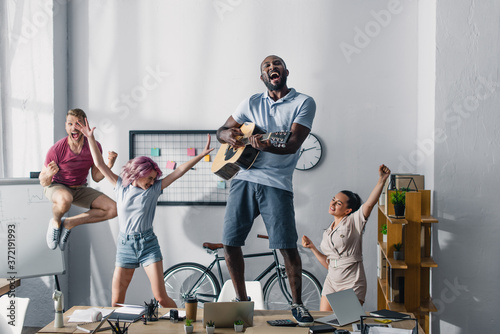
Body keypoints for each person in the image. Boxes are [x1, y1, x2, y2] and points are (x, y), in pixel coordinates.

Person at [216, 55, 316, 326]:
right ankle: (241, 301)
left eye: (277, 64)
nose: (272, 68)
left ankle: (297, 305)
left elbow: (293, 143)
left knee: (286, 245)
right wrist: (227, 135)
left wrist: (266, 145)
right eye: (267, 66)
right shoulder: (250, 102)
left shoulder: (303, 102)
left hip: (277, 183)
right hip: (244, 177)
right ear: (262, 76)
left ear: (285, 71)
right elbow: (222, 130)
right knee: (230, 241)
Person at [77, 117, 214, 307]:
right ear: (137, 174)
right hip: (125, 245)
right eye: (149, 178)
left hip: (148, 244)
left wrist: (200, 156)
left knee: (160, 297)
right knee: (116, 301)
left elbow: (179, 171)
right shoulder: (120, 186)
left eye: (154, 179)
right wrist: (90, 138)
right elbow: (100, 164)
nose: (152, 182)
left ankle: (182, 324)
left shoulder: (154, 190)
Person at [302, 164, 391, 311]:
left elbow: (369, 205)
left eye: (338, 203)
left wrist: (381, 180)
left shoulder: (353, 222)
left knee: (347, 326)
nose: (333, 204)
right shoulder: (328, 232)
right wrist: (312, 247)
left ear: (348, 210)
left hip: (351, 281)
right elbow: (331, 264)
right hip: (332, 280)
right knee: (324, 323)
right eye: (333, 200)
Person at [39, 108, 118, 251]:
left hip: (79, 188)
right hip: (58, 187)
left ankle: (69, 223)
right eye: (70, 124)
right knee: (65, 199)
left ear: (85, 126)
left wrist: (110, 165)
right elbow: (43, 182)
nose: (74, 127)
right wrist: (49, 174)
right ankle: (56, 223)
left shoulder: (94, 146)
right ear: (66, 126)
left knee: (113, 209)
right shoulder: (57, 150)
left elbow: (96, 176)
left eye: (78, 124)